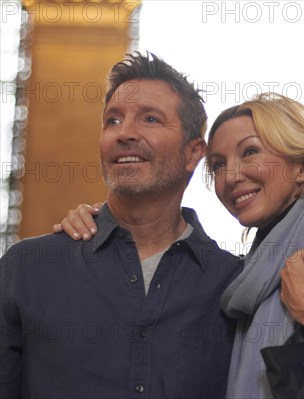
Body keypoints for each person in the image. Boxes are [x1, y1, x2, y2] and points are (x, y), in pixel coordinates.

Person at [55, 93, 304, 398]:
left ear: (302, 165)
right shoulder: (250, 274)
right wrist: (107, 220)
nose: (231, 176)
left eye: (250, 152)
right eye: (217, 165)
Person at [0, 52, 241, 399]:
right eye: (112, 121)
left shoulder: (233, 285)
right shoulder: (26, 269)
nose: (124, 133)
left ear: (193, 153)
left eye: (150, 119)